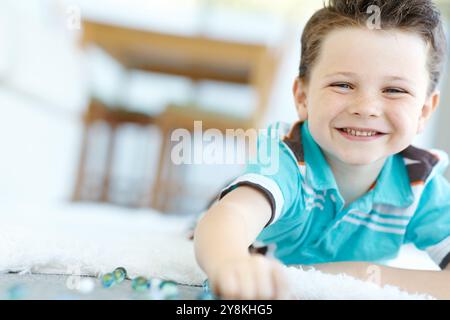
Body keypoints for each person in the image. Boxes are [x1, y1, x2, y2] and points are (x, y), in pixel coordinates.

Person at [194, 0, 450, 300]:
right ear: (302, 97)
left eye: (394, 90)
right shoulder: (287, 161)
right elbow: (231, 216)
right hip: (255, 206)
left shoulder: (420, 182)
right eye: (342, 84)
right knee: (221, 209)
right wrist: (231, 262)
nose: (366, 108)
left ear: (424, 111)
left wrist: (354, 274)